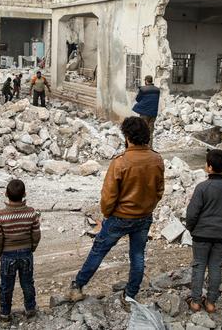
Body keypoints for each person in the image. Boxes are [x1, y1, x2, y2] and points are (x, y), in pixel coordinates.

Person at [68, 117, 164, 304]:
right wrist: (147, 207)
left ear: (127, 137)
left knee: (98, 251)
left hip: (119, 217)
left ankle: (78, 286)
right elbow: (159, 190)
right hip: (144, 217)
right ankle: (130, 295)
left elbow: (108, 196)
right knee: (137, 255)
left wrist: (108, 213)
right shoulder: (156, 159)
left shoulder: (120, 162)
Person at [185, 149, 222, 313]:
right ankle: (211, 303)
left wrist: (191, 228)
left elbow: (192, 213)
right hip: (221, 236)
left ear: (209, 167)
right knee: (216, 267)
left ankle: (196, 302)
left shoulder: (202, 188)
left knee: (199, 266)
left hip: (201, 235)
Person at [0, 179, 41, 322]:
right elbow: (36, 234)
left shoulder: (1, 215)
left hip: (7, 255)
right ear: (25, 194)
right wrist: (32, 248)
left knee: (6, 286)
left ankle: (5, 314)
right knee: (27, 283)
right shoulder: (31, 213)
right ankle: (30, 310)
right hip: (26, 253)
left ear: (6, 194)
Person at [132, 75, 160, 148]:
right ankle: (150, 147)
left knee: (143, 130)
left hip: (144, 113)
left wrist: (139, 91)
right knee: (150, 131)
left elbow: (138, 99)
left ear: (146, 81)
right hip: (153, 113)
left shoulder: (143, 89)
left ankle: (143, 148)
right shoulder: (157, 90)